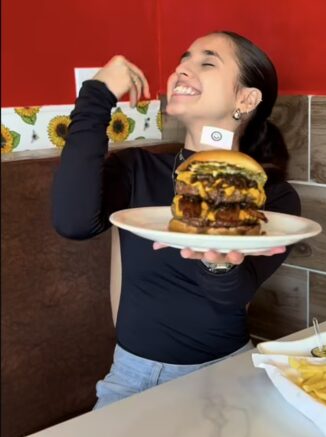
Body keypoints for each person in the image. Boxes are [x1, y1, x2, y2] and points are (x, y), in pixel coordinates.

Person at [52, 31, 301, 410]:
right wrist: (96, 95)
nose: (182, 69)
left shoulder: (271, 197)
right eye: (183, 60)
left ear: (246, 99)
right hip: (130, 378)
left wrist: (218, 264)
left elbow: (231, 296)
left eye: (207, 62)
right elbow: (73, 222)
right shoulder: (136, 170)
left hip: (226, 375)